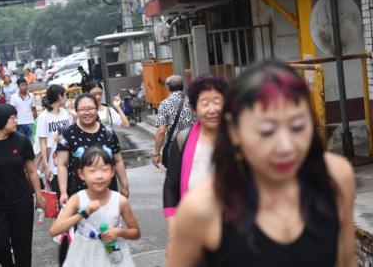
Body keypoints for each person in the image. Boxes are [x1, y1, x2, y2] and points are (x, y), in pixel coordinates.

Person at [166, 60, 356, 266]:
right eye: (267, 131)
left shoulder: (336, 177)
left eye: (298, 126)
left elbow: (346, 260)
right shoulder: (202, 208)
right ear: (234, 130)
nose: (285, 147)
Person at [0, 103, 46, 267]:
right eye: (13, 118)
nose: (16, 121)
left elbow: (32, 171)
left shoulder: (21, 141)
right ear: (1, 120)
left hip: (22, 200)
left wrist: (39, 197)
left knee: (22, 247)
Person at [162, 75, 227, 251]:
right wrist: (173, 223)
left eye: (217, 102)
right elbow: (171, 184)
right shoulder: (182, 139)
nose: (212, 109)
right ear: (194, 108)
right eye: (205, 103)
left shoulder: (240, 137)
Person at [49, 145, 140, 267]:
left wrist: (118, 232)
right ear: (82, 174)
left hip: (113, 255)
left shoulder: (119, 201)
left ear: (113, 171)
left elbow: (135, 232)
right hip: (83, 256)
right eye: (92, 171)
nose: (99, 176)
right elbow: (54, 230)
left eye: (104, 169)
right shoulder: (77, 199)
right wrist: (82, 213)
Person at [56, 93, 130, 207]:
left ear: (97, 109)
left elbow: (118, 160)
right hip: (80, 197)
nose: (87, 112)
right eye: (82, 109)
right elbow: (62, 165)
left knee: (110, 224)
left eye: (90, 108)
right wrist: (63, 192)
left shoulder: (108, 132)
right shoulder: (67, 135)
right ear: (76, 111)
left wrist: (125, 185)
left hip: (109, 193)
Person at [152, 75, 196, 168]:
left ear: (167, 87)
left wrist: (156, 154)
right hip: (194, 143)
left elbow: (161, 131)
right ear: (182, 86)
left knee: (176, 178)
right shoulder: (192, 101)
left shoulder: (165, 104)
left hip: (175, 147)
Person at [36, 84, 72, 186]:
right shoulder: (43, 117)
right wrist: (46, 166)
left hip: (68, 160)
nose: (65, 98)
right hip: (53, 164)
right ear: (59, 97)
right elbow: (42, 143)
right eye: (64, 95)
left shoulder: (65, 113)